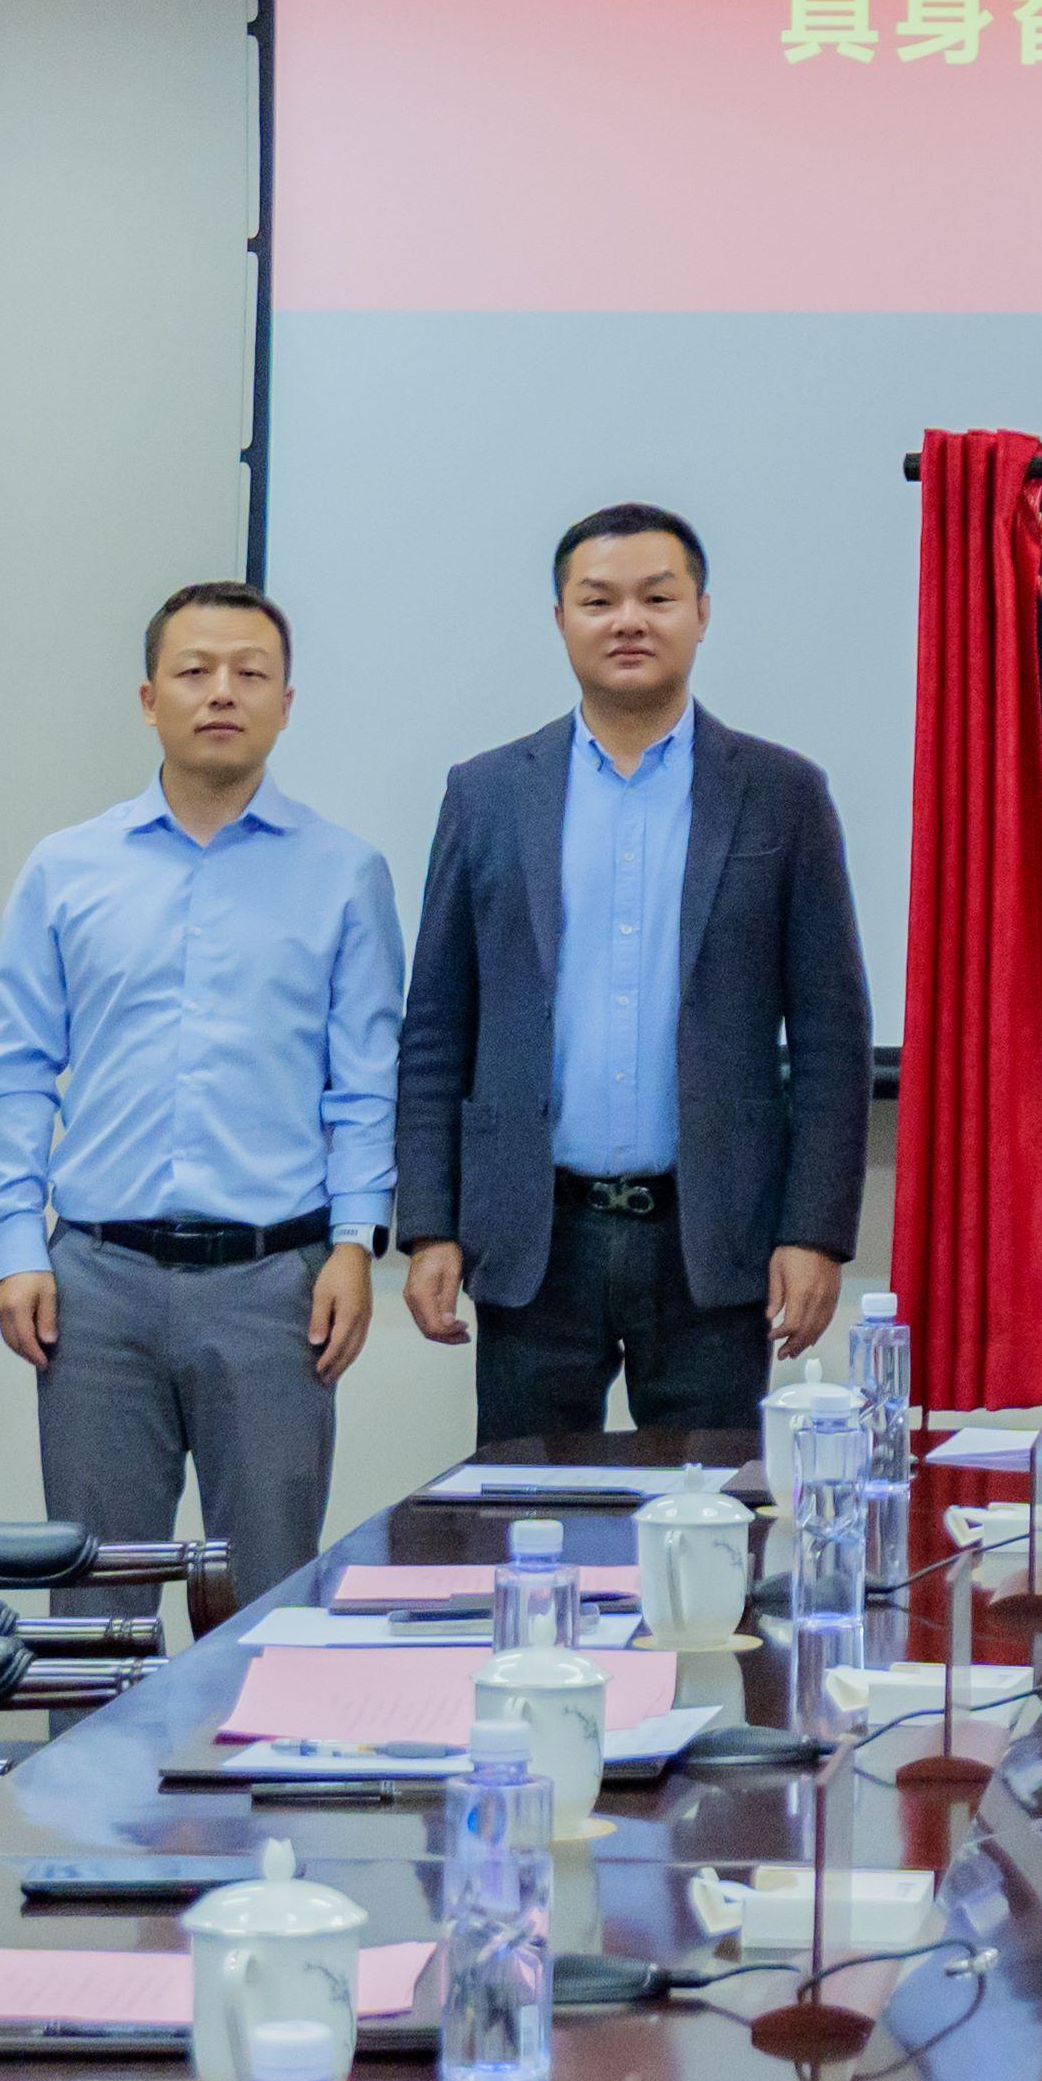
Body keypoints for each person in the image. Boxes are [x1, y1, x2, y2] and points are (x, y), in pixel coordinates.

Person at [398, 505, 874, 1439]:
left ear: (701, 612)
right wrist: (429, 1224)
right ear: (560, 619)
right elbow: (437, 1028)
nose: (629, 621)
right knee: (527, 1507)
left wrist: (813, 1230)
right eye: (598, 600)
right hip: (535, 1234)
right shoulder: (487, 793)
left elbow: (830, 1034)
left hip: (712, 1237)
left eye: (657, 598)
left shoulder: (781, 793)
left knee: (711, 1510)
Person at [0, 582, 403, 1610]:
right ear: (147, 698)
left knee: (268, 1601)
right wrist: (16, 1243)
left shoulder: (346, 874)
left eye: (250, 674)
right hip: (95, 1287)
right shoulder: (66, 869)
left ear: (286, 704)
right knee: (94, 1607)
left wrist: (355, 1241)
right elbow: (18, 1067)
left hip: (274, 1287)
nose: (222, 693)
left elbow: (364, 1085)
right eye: (194, 671)